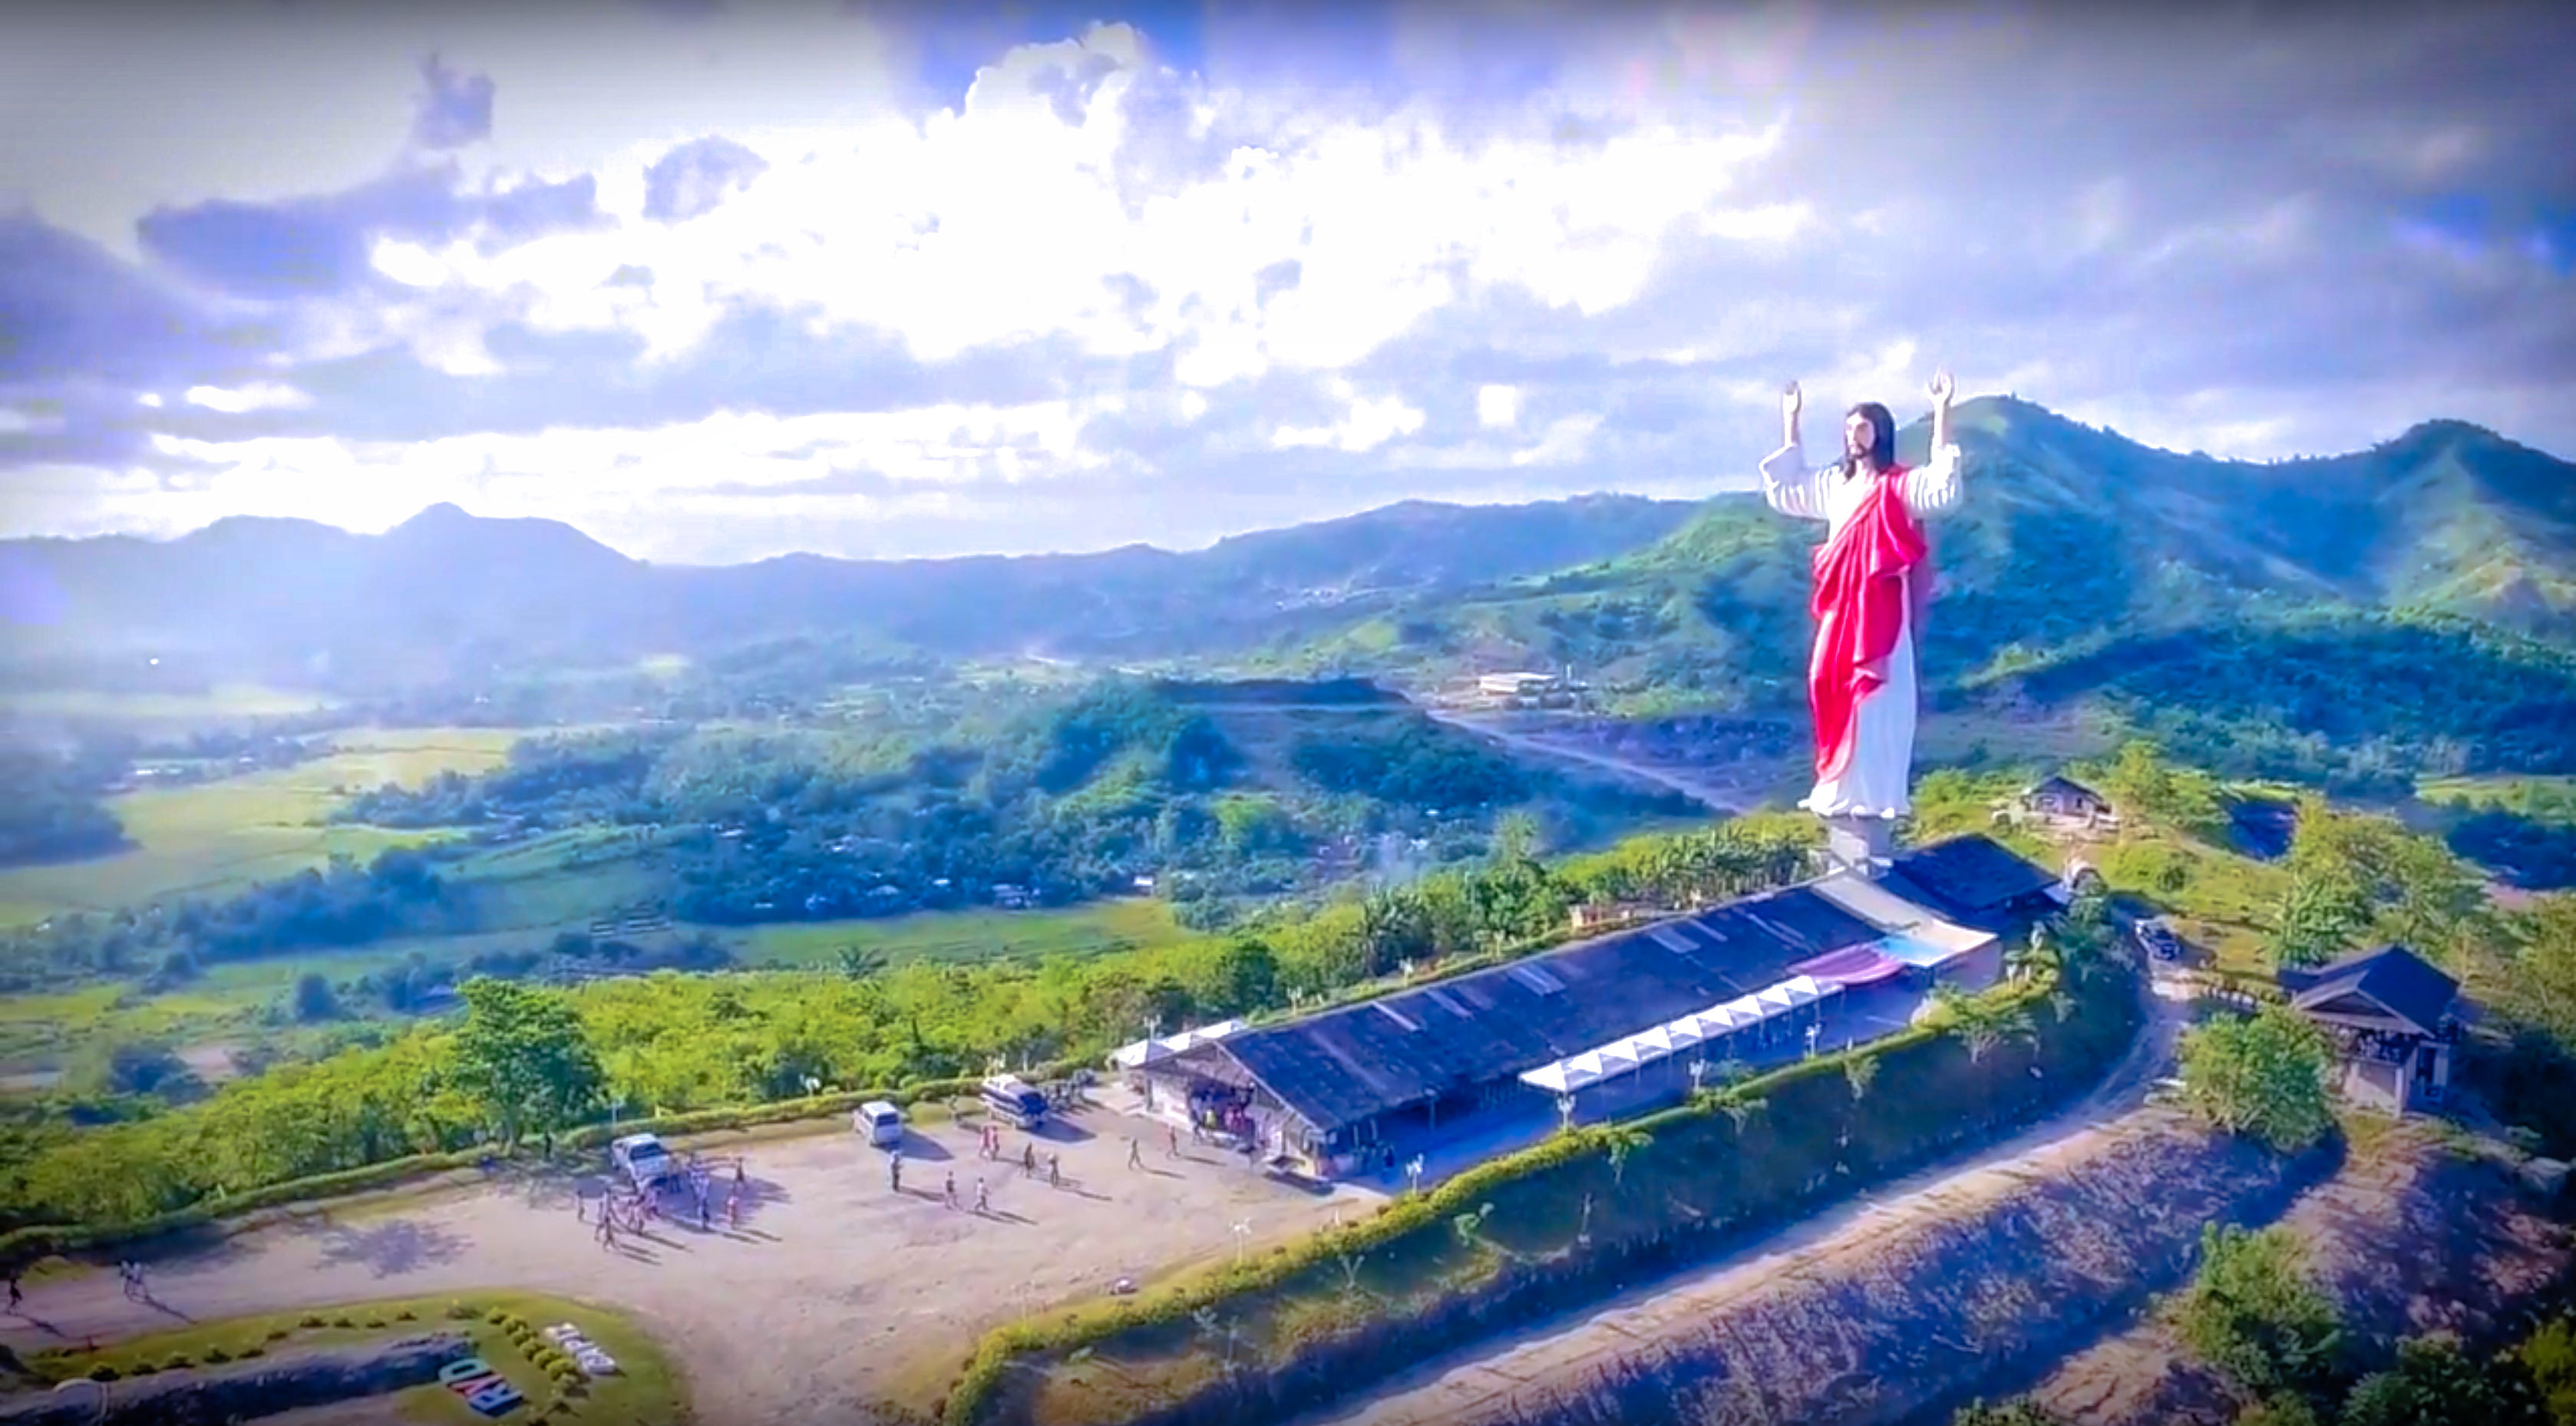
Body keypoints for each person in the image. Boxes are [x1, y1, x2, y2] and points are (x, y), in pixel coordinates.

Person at [1759, 371, 1964, 824]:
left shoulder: (1897, 487)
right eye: (1849, 428)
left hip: (1881, 611)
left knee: (1876, 699)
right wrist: (1791, 420)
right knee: (1824, 679)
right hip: (1841, 606)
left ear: (1882, 434)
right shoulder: (1836, 485)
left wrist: (1942, 413)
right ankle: (1835, 781)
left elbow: (1942, 489)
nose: (1854, 436)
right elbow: (1790, 490)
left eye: (1863, 428)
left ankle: (1874, 793)